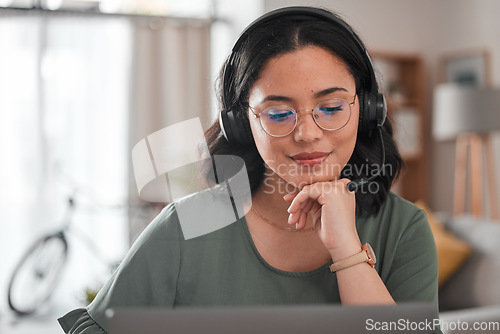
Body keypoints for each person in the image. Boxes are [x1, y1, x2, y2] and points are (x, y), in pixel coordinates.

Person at [58, 6, 440, 333]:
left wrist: (348, 251)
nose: (307, 133)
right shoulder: (186, 225)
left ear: (368, 110)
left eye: (332, 108)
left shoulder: (403, 229)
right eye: (278, 114)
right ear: (241, 124)